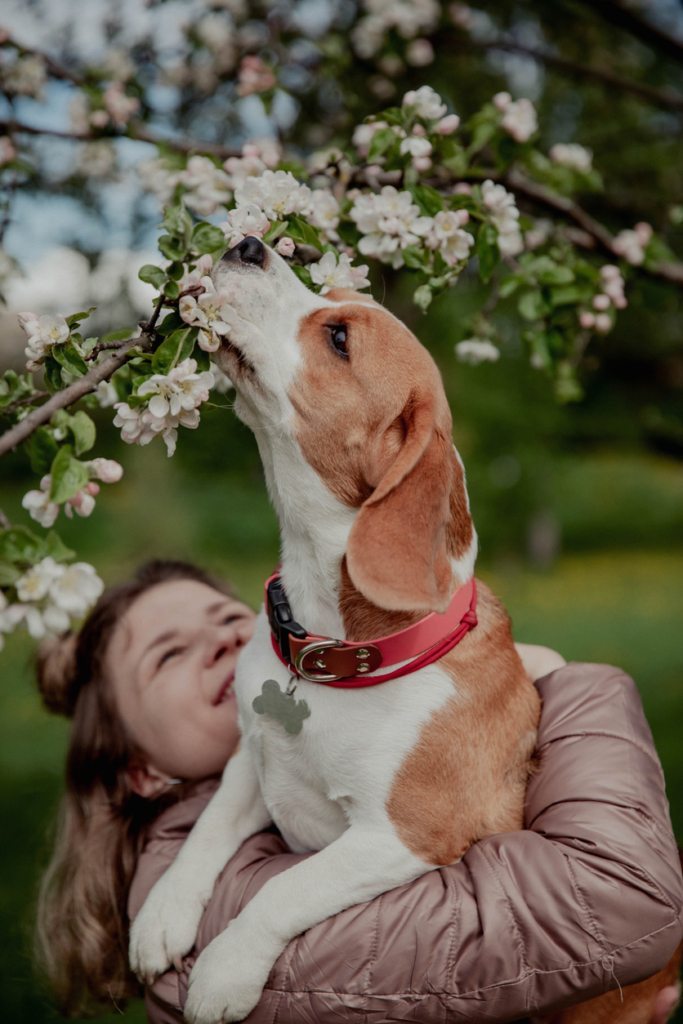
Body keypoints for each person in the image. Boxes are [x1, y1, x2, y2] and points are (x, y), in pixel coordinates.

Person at [34, 560, 683, 1024]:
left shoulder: (321, 750)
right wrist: (566, 682)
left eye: (229, 618)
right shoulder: (197, 922)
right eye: (168, 656)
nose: (221, 644)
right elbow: (614, 899)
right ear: (139, 771)